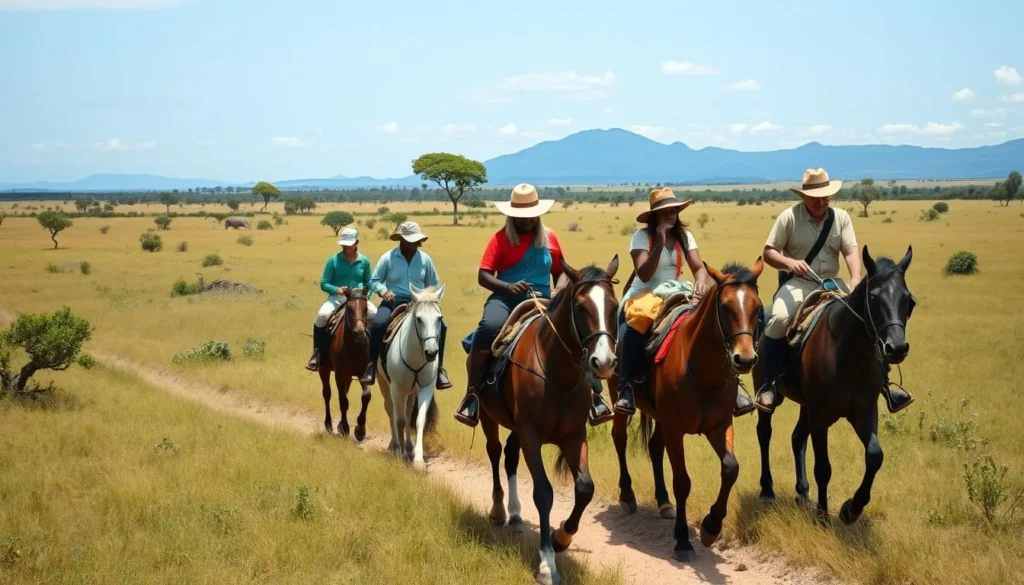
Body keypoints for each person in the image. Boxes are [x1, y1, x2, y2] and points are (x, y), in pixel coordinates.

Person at [453, 183, 614, 428]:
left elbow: (561, 270)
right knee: (488, 327)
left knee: (578, 331)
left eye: (531, 216)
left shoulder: (550, 237)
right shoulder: (500, 239)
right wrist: (508, 287)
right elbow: (483, 275)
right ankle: (472, 395)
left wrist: (559, 288)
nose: (527, 221)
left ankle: (595, 395)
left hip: (544, 298)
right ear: (512, 216)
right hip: (506, 298)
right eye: (521, 217)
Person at [755, 167, 912, 413]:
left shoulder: (841, 218)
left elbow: (850, 251)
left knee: (864, 318)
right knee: (779, 319)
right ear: (804, 197)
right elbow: (769, 252)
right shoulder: (789, 217)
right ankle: (769, 384)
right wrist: (789, 263)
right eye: (816, 197)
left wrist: (856, 279)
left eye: (825, 196)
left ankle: (884, 384)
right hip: (798, 283)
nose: (821, 201)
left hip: (831, 282)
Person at [615, 188, 756, 417]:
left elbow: (699, 268)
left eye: (674, 211)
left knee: (713, 319)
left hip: (677, 289)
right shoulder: (641, 238)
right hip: (645, 292)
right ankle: (626, 386)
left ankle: (733, 384)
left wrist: (701, 282)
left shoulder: (685, 237)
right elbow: (644, 273)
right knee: (637, 322)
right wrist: (659, 244)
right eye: (664, 212)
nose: (670, 215)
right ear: (654, 216)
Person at [362, 221, 450, 388]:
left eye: (415, 241)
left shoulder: (425, 259)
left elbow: (433, 283)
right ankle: (371, 366)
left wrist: (427, 297)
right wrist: (382, 291)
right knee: (379, 324)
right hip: (392, 301)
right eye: (409, 240)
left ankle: (438, 371)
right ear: (401, 240)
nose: (413, 244)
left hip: (419, 304)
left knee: (442, 327)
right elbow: (374, 281)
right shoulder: (387, 257)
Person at [306, 227, 376, 371]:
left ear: (357, 242)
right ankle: (318, 354)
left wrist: (365, 298)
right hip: (337, 298)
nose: (346, 247)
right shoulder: (333, 261)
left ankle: (374, 356)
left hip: (358, 300)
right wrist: (336, 290)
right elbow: (324, 283)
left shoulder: (364, 261)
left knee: (374, 315)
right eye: (344, 244)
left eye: (349, 244)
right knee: (322, 316)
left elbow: (369, 283)